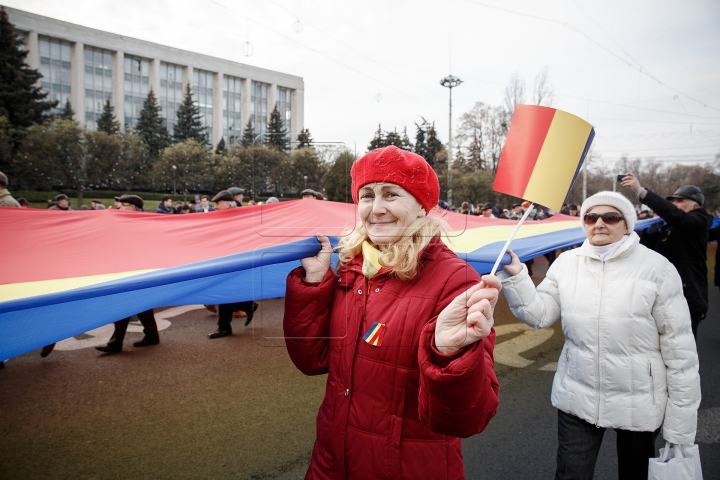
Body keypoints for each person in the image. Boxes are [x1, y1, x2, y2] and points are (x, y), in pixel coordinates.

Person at [283, 146, 500, 478]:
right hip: (330, 464)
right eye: (367, 195)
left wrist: (448, 354)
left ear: (420, 206)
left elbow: (468, 417)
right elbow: (311, 360)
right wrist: (314, 284)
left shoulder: (457, 281)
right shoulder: (349, 267)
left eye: (391, 194)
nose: (377, 208)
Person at [498, 191, 700, 480]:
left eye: (610, 217)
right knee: (570, 475)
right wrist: (517, 276)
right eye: (591, 217)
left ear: (626, 224)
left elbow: (680, 353)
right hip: (577, 396)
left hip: (640, 401)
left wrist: (680, 426)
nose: (600, 223)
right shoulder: (567, 263)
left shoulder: (657, 269)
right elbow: (539, 315)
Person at [622, 173, 712, 338]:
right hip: (662, 294)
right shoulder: (669, 226)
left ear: (695, 206)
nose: (674, 204)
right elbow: (647, 251)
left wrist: (641, 192)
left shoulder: (700, 220)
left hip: (687, 297)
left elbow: (677, 217)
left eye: (680, 201)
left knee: (682, 348)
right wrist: (651, 233)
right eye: (673, 201)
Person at [96, 195, 160, 353]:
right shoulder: (133, 222)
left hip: (137, 271)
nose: (118, 207)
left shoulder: (139, 224)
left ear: (131, 208)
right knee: (142, 306)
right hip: (134, 270)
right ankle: (151, 335)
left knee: (123, 305)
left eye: (122, 205)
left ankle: (116, 343)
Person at [207, 190, 258, 338]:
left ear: (228, 204)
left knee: (225, 293)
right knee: (227, 293)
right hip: (225, 260)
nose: (215, 207)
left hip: (238, 261)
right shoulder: (221, 217)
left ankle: (224, 326)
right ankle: (246, 307)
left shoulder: (241, 217)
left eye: (218, 204)